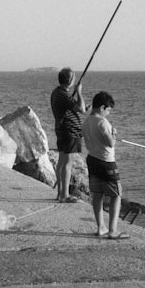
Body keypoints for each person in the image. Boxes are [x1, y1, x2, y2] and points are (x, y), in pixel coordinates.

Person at [82, 90, 129, 239]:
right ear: (102, 107)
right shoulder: (102, 122)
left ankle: (100, 227)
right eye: (108, 110)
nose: (108, 113)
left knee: (98, 194)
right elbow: (110, 144)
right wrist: (114, 133)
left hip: (92, 160)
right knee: (116, 195)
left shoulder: (86, 121)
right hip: (106, 162)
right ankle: (112, 231)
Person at [50, 67, 86, 203]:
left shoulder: (57, 93)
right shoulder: (63, 95)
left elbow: (71, 109)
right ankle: (64, 195)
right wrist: (79, 93)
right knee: (67, 163)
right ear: (70, 80)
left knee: (61, 162)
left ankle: (60, 193)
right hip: (69, 131)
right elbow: (81, 110)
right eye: (74, 78)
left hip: (62, 130)